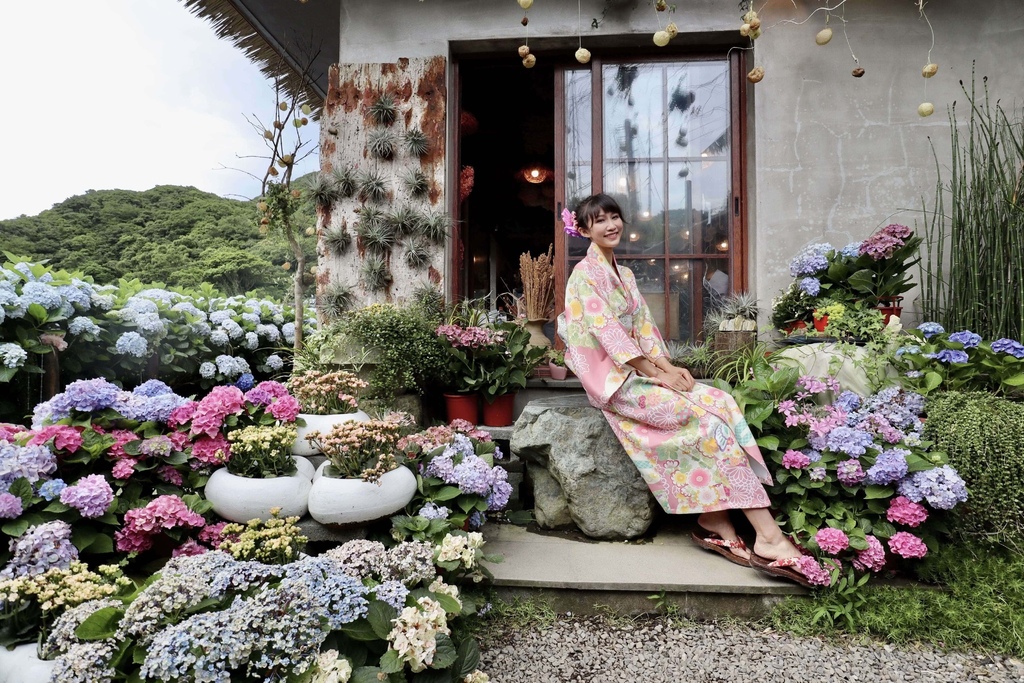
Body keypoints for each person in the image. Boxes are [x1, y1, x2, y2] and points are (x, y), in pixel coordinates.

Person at [556, 193, 809, 586]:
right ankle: (768, 536)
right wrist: (655, 375)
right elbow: (605, 331)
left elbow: (642, 327)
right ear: (584, 229)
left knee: (721, 400)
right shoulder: (585, 274)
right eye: (599, 220)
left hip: (639, 371)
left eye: (615, 217)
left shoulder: (624, 273)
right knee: (708, 424)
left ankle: (716, 517)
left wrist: (668, 366)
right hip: (615, 381)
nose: (611, 225)